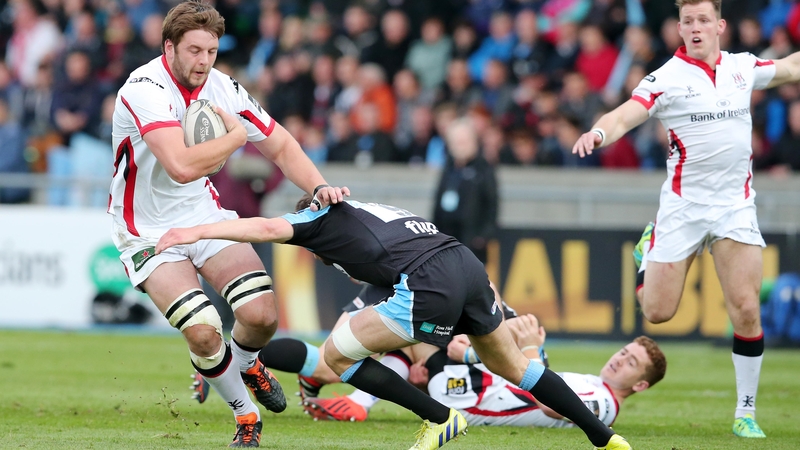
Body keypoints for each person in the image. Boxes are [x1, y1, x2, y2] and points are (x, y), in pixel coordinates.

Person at [156, 196, 631, 450]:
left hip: (429, 280)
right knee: (518, 369)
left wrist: (194, 231)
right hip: (463, 263)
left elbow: (260, 228)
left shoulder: (316, 220)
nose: (316, 256)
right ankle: (606, 440)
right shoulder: (366, 209)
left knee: (336, 356)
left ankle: (441, 419)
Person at [109, 1, 348, 447]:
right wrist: (236, 137)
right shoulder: (142, 88)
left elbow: (279, 144)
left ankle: (244, 363)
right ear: (169, 47)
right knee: (202, 331)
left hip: (204, 216)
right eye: (194, 50)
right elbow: (180, 166)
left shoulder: (224, 88)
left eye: (211, 52)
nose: (203, 62)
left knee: (261, 315)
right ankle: (245, 415)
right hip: (146, 230)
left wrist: (319, 187)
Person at [571, 0, 800, 439]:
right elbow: (625, 114)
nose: (695, 28)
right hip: (683, 208)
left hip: (735, 205)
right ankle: (647, 249)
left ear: (720, 25)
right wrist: (599, 132)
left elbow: (790, 68)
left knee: (748, 309)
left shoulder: (742, 67)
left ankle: (745, 411)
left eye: (702, 21)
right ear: (679, 28)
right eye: (688, 22)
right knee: (657, 312)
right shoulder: (665, 79)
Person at [307, 322, 666, 430]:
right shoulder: (597, 382)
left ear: (640, 385)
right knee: (409, 347)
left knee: (407, 338)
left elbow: (556, 407)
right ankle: (363, 397)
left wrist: (527, 351)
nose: (620, 360)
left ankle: (358, 396)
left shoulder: (604, 405)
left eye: (631, 363)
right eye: (624, 352)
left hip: (473, 397)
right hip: (476, 386)